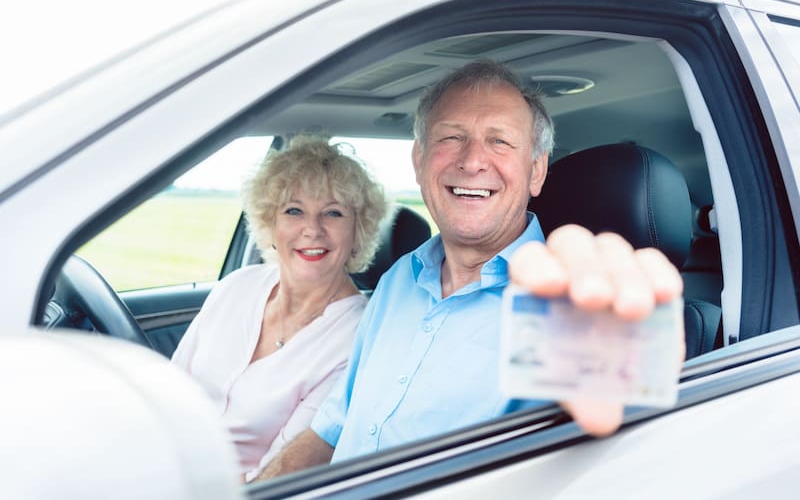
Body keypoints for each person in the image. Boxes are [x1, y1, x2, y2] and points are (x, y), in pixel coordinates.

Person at [252, 60, 684, 480]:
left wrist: (628, 364)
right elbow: (332, 428)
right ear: (419, 161)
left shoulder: (566, 302)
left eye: (500, 141)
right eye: (452, 137)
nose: (473, 160)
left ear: (536, 171)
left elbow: (616, 450)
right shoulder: (398, 279)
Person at [171, 135, 387, 480]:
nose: (312, 230)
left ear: (357, 231)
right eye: (294, 210)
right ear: (270, 223)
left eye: (332, 213)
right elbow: (170, 388)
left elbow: (283, 468)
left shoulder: (357, 337)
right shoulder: (236, 287)